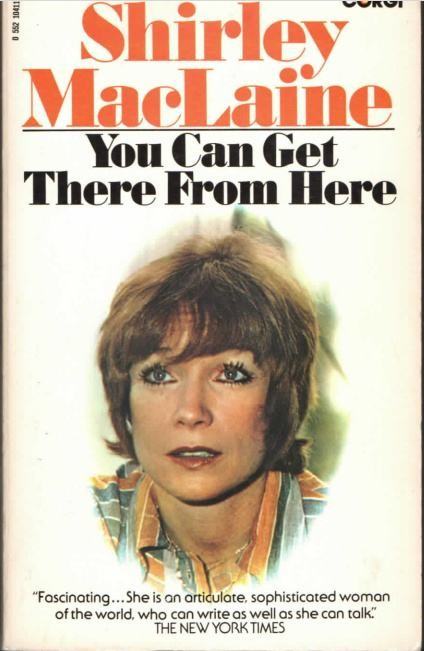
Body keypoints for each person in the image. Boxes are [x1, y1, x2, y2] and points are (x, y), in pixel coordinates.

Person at [91, 231, 327, 594]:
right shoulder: (73, 523)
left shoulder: (347, 532)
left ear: (282, 395)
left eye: (231, 375)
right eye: (159, 375)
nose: (191, 412)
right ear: (124, 396)